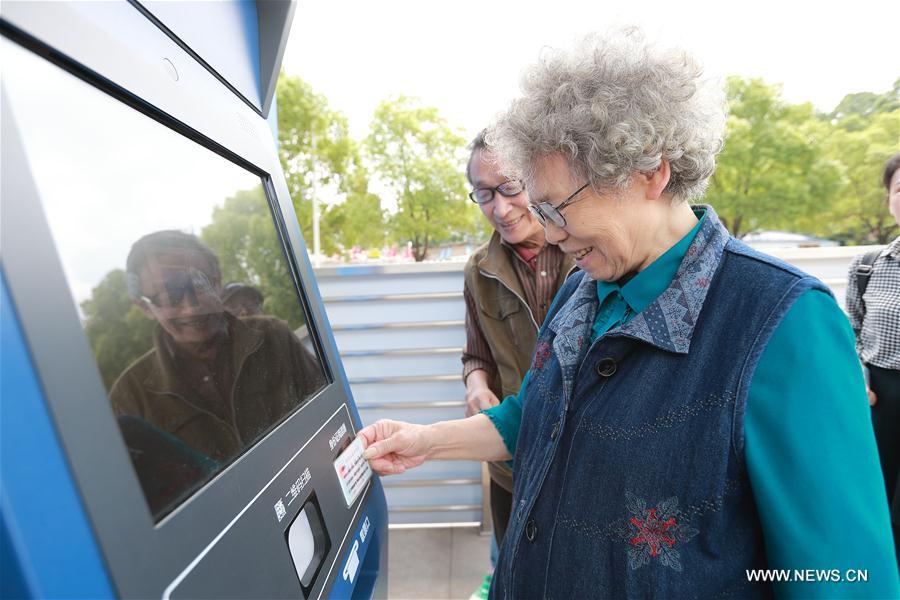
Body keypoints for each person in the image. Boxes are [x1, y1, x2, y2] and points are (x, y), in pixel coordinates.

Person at [359, 29, 899, 598]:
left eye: (558, 207)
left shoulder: (784, 322)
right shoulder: (582, 289)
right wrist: (427, 442)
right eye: (540, 209)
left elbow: (845, 577)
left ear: (651, 172)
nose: (550, 232)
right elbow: (538, 418)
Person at [110, 231, 325, 484]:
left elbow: (327, 419)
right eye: (171, 295)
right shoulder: (129, 397)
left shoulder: (273, 336)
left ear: (218, 280)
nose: (191, 307)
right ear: (144, 306)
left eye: (200, 284)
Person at [462, 130, 574, 596]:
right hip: (512, 456)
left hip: (580, 458)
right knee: (511, 566)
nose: (501, 209)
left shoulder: (586, 248)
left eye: (510, 188)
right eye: (484, 194)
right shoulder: (478, 270)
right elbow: (476, 353)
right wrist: (476, 385)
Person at [846, 153, 900, 562]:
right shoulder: (868, 267)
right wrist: (858, 379)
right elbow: (851, 333)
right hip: (880, 399)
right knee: (873, 504)